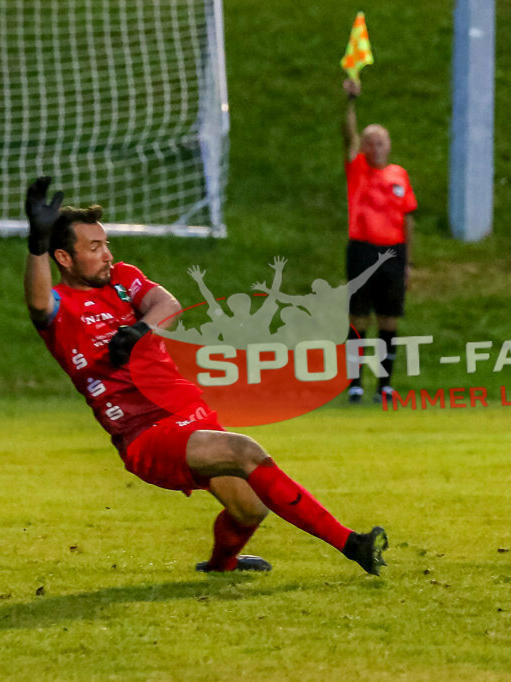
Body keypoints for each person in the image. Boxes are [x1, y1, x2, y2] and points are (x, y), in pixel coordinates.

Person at [22, 177, 388, 575]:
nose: (108, 254)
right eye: (95, 248)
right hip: (147, 433)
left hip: (189, 412)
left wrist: (140, 330)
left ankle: (221, 565)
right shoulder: (63, 307)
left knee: (251, 509)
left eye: (107, 243)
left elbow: (167, 302)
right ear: (63, 258)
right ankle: (353, 545)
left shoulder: (123, 279)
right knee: (246, 452)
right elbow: (39, 303)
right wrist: (36, 245)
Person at [342, 77, 418, 403]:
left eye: (380, 143)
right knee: (359, 318)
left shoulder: (399, 175)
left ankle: (384, 384)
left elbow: (408, 219)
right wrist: (350, 102)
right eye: (369, 142)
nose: (374, 147)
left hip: (394, 252)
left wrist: (409, 262)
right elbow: (347, 135)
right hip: (362, 250)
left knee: (389, 318)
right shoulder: (358, 169)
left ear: (388, 146)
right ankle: (355, 383)